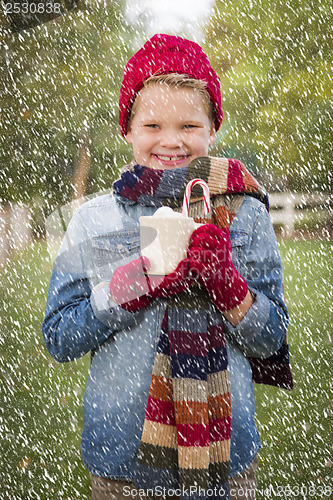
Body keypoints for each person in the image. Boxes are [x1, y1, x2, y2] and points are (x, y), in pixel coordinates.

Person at [42, 34, 293, 500]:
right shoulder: (94, 220)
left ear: (212, 129)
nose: (171, 141)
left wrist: (229, 289)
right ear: (128, 130)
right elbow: (59, 336)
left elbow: (271, 337)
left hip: (225, 461)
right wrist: (134, 285)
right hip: (121, 462)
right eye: (153, 124)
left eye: (189, 125)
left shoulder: (244, 215)